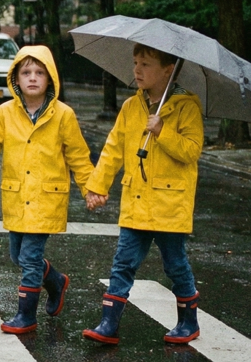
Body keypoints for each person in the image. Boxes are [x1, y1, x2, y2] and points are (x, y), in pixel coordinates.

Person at [0, 45, 94, 334]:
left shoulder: (63, 115)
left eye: (39, 72)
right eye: (26, 72)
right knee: (17, 256)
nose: (33, 78)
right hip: (16, 197)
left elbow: (78, 156)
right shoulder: (4, 113)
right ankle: (56, 281)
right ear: (16, 78)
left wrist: (91, 189)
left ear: (50, 79)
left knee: (29, 258)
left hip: (46, 197)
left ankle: (26, 315)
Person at [82, 44, 204, 345]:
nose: (137, 70)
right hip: (136, 200)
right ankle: (108, 324)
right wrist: (98, 185)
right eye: (136, 62)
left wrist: (163, 131)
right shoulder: (130, 107)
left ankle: (189, 322)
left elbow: (191, 151)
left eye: (146, 64)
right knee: (123, 262)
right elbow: (113, 149)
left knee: (175, 264)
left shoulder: (186, 106)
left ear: (168, 70)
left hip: (169, 205)